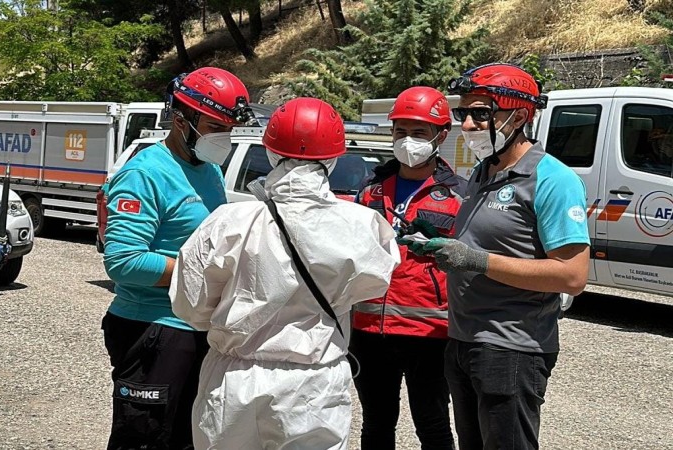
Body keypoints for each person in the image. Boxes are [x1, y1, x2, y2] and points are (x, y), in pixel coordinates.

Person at [169, 97, 401, 450]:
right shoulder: (364, 226)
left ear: (271, 153)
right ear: (334, 158)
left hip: (234, 380)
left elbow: (190, 307)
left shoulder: (229, 222)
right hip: (314, 385)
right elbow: (373, 286)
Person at [404, 63, 590, 450]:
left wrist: (475, 260)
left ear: (519, 117)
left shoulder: (553, 180)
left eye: (481, 114)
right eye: (463, 113)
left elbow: (572, 276)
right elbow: (484, 243)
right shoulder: (482, 172)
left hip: (511, 348)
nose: (467, 125)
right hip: (462, 340)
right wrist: (439, 243)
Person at [101, 66, 253, 450]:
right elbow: (123, 261)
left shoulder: (211, 170)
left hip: (198, 327)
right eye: (215, 126)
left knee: (189, 439)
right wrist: (206, 274)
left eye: (229, 129)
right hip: (152, 328)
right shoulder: (145, 173)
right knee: (144, 439)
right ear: (182, 119)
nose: (223, 137)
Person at [350, 86, 466, 450]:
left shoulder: (459, 195)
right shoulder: (370, 189)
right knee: (376, 423)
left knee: (433, 425)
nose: (407, 140)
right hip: (370, 329)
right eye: (400, 131)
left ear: (441, 136)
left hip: (429, 333)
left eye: (418, 132)